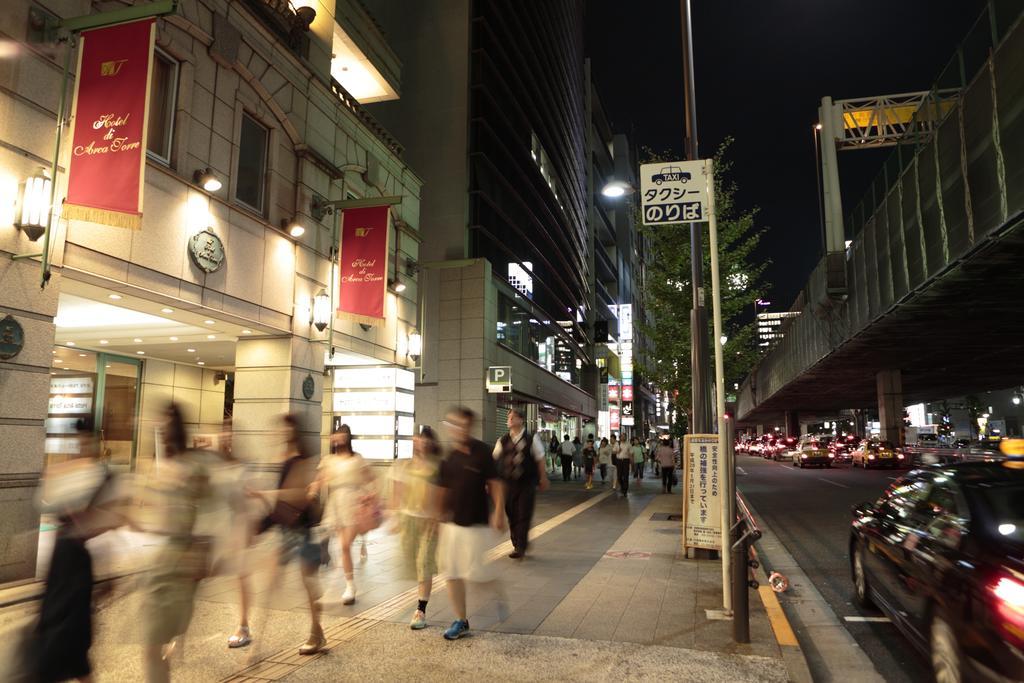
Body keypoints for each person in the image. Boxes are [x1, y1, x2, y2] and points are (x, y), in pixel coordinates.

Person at [26, 419, 135, 683]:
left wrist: (88, 523)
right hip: (62, 563)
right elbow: (43, 502)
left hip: (78, 564)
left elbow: (116, 519)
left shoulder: (105, 476)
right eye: (80, 442)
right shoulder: (69, 473)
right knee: (68, 645)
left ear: (98, 443)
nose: (83, 447)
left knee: (66, 641)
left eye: (87, 441)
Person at [247, 414, 325, 657]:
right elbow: (281, 503)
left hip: (305, 530)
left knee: (309, 585)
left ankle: (316, 633)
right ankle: (258, 645)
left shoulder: (302, 460)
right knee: (271, 584)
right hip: (287, 530)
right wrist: (261, 525)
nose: (280, 433)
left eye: (284, 429)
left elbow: (300, 497)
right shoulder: (283, 459)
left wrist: (266, 494)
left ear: (293, 432)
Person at [437, 407, 506, 640]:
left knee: (478, 575)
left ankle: (497, 592)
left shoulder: (482, 452)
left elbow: (495, 483)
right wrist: (436, 517)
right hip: (452, 524)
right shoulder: (449, 457)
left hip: (476, 523)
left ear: (470, 427)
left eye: (463, 425)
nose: (458, 429)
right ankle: (461, 620)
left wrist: (499, 512)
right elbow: (442, 490)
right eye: (454, 424)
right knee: (452, 573)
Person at [314, 423, 375, 605]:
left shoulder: (357, 459)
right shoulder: (329, 460)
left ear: (348, 438)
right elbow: (320, 479)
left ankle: (349, 586)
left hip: (353, 503)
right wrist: (312, 489)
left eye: (342, 435)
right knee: (343, 546)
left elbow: (372, 479)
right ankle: (350, 585)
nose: (338, 438)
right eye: (336, 435)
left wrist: (370, 495)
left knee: (345, 545)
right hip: (335, 504)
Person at [391, 426, 442, 630]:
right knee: (413, 562)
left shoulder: (437, 467)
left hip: (428, 521)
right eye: (419, 440)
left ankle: (420, 609)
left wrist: (437, 517)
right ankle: (421, 600)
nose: (421, 443)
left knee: (424, 563)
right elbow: (397, 490)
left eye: (426, 441)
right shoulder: (404, 465)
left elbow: (441, 494)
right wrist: (395, 514)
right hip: (409, 519)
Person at [493, 409, 549, 559]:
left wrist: (543, 478)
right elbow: (494, 460)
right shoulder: (502, 440)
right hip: (507, 484)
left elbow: (540, 458)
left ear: (521, 420)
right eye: (508, 417)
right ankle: (517, 541)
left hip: (526, 482)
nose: (509, 420)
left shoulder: (531, 439)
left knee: (524, 513)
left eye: (513, 417)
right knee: (511, 514)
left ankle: (521, 546)